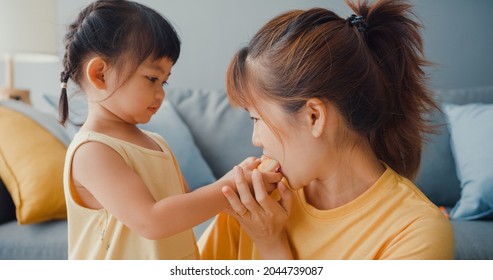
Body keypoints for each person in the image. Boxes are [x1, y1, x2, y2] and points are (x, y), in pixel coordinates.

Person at [199, 0, 454, 259]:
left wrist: (271, 244)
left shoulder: (416, 233)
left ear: (314, 116)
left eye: (257, 119)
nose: (256, 140)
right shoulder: (258, 200)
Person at [58, 0, 282, 259]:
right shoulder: (92, 151)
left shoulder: (157, 143)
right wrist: (229, 184)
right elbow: (152, 221)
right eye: (152, 78)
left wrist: (242, 184)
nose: (161, 93)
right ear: (100, 74)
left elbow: (185, 208)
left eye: (164, 81)